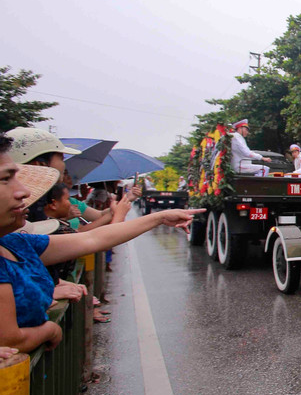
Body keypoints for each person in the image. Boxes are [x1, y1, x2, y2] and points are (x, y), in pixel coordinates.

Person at [0, 132, 203, 352]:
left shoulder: (16, 244)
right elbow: (11, 340)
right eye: (5, 179)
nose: (24, 191)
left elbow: (92, 238)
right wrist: (51, 330)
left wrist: (159, 218)